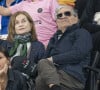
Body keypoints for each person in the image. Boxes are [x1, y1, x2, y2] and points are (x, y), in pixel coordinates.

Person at [35, 5, 92, 90]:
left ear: (76, 18)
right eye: (59, 15)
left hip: (72, 76)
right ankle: (55, 87)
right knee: (39, 73)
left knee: (40, 77)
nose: (63, 16)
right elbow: (45, 60)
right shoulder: (54, 38)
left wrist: (53, 59)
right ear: (57, 22)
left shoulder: (82, 33)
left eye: (67, 13)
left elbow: (78, 53)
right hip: (54, 76)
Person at [0, 11, 45, 77]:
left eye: (23, 21)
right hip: (6, 78)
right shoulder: (5, 44)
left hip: (28, 81)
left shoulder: (39, 46)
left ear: (31, 24)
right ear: (13, 28)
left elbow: (41, 70)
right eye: (17, 23)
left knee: (19, 60)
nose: (21, 25)